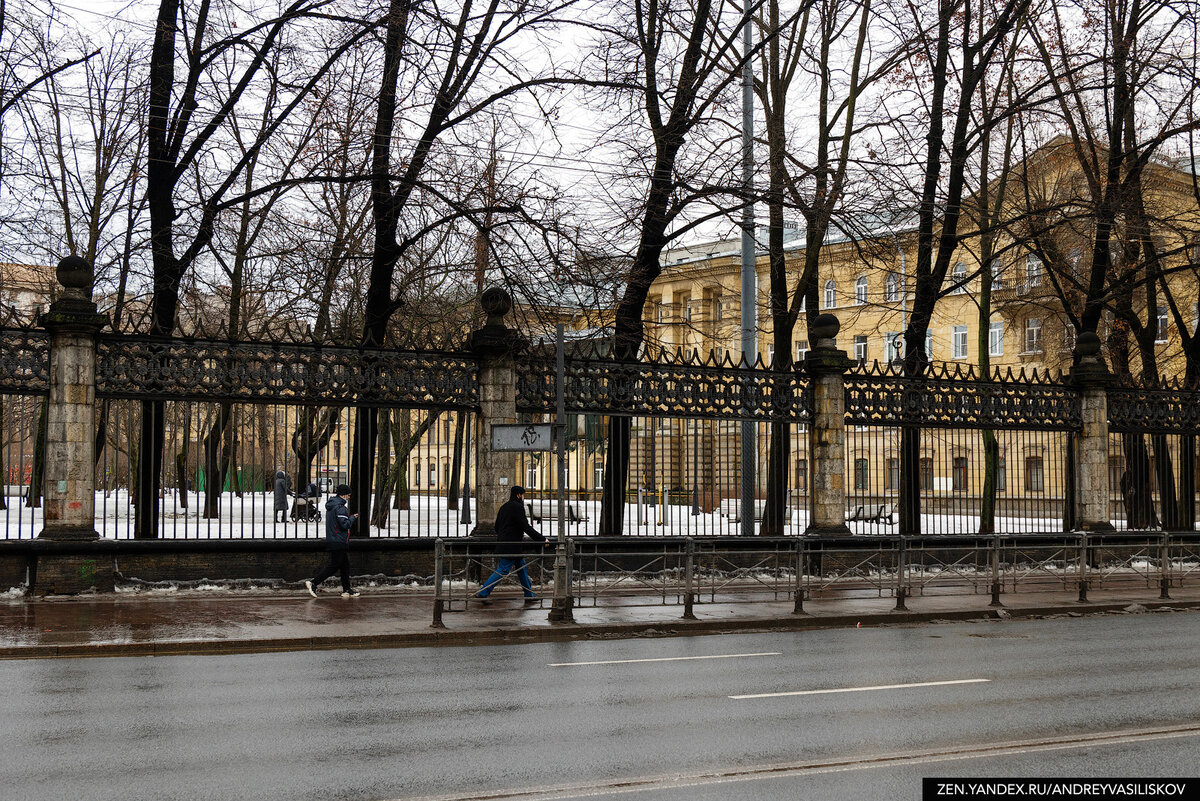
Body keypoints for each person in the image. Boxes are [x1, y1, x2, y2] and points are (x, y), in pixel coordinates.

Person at [473, 485, 551, 605]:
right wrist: (541, 539)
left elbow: (497, 526)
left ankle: (529, 594)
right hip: (512, 545)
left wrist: (505, 536)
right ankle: (483, 592)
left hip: (507, 543)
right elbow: (526, 527)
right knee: (503, 570)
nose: (523, 497)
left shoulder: (504, 507)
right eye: (523, 495)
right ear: (519, 495)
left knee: (522, 568)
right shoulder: (518, 507)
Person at [305, 484, 360, 598]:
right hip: (338, 540)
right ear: (343, 495)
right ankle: (313, 583)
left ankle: (346, 589)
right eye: (348, 495)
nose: (349, 497)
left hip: (335, 539)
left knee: (345, 565)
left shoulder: (333, 505)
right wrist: (352, 518)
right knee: (334, 565)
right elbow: (344, 525)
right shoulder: (340, 507)